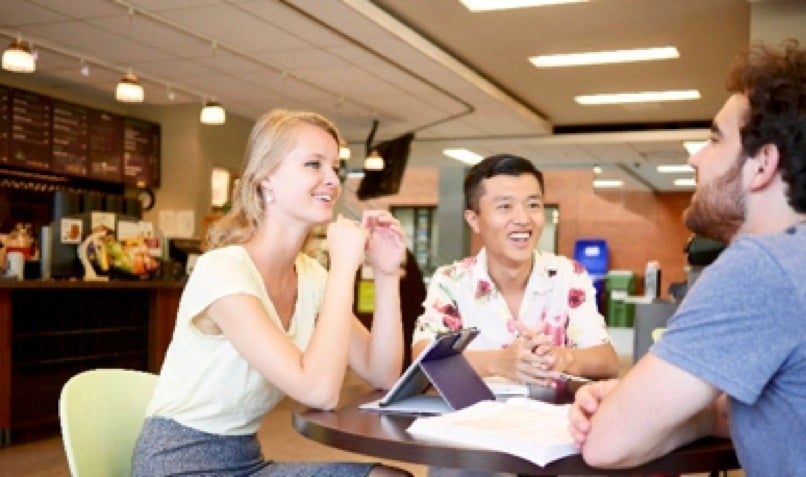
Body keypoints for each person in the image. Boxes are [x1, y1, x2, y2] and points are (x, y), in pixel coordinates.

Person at [568, 39, 806, 476]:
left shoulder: (763, 266)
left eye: (714, 139)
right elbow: (739, 414)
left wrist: (626, 410)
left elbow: (606, 444)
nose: (695, 157)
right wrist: (651, 407)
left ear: (763, 164)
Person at [132, 109, 411, 477]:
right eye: (314, 164)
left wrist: (387, 273)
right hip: (178, 463)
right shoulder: (223, 271)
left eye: (334, 168)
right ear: (266, 179)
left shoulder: (309, 276)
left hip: (245, 460)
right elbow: (319, 391)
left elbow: (384, 375)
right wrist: (345, 267)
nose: (332, 180)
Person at [412, 154, 619, 393]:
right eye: (505, 206)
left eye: (533, 205)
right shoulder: (452, 281)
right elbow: (422, 358)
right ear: (474, 220)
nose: (522, 219)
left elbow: (607, 360)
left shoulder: (567, 275)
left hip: (551, 424)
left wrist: (564, 358)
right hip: (473, 422)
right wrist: (499, 362)